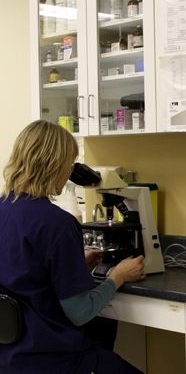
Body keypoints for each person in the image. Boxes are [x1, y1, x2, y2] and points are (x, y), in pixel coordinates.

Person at [0, 120, 145, 374]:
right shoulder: (57, 223)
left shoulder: (4, 208)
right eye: (68, 165)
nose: (69, 174)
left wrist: (76, 264)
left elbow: (24, 273)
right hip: (56, 360)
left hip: (11, 359)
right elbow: (80, 312)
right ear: (54, 166)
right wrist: (117, 277)